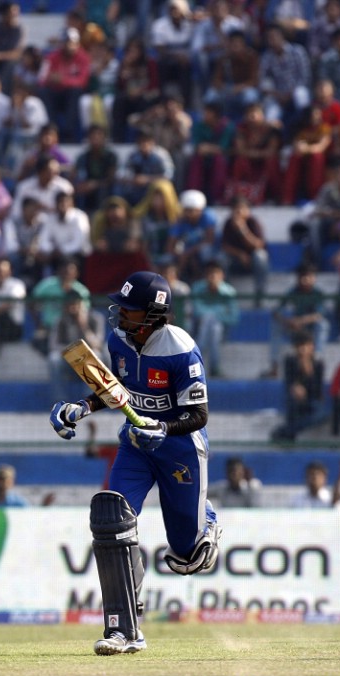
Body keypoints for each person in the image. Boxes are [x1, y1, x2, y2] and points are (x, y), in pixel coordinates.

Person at [48, 270, 219, 655]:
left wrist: (163, 427)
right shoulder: (118, 339)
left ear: (153, 315)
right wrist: (83, 406)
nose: (120, 315)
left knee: (189, 556)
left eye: (129, 310)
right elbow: (115, 390)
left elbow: (199, 415)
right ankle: (123, 629)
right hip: (136, 446)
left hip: (180, 449)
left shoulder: (181, 349)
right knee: (111, 518)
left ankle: (204, 519)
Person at [272, 332, 329, 442]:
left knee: (321, 414)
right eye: (299, 346)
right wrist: (295, 388)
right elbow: (289, 383)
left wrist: (309, 371)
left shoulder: (318, 364)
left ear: (312, 347)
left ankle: (284, 431)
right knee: (292, 404)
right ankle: (289, 436)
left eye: (306, 345)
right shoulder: (290, 361)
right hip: (295, 399)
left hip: (312, 400)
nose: (303, 349)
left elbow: (317, 390)